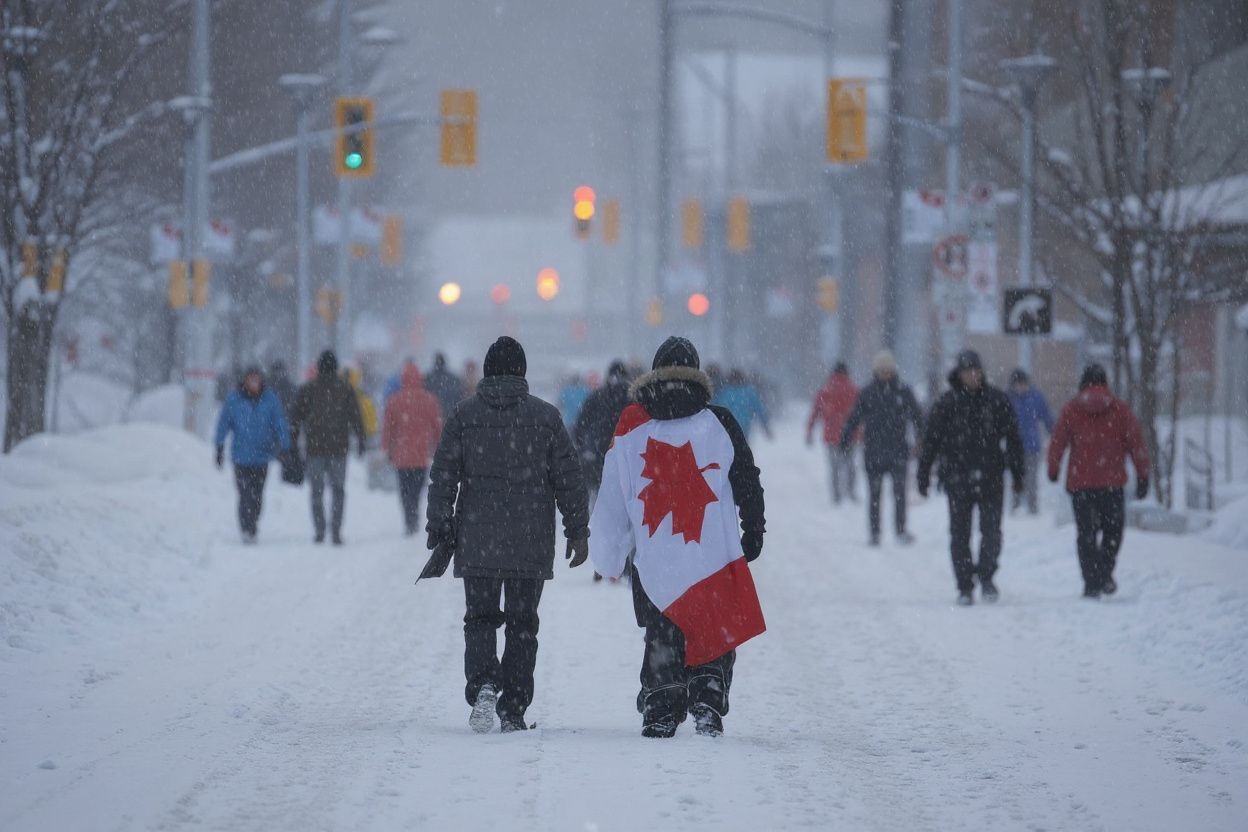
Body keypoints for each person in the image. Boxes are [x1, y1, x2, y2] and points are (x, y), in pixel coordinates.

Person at [590, 337, 766, 739]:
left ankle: (661, 703)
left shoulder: (634, 426)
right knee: (711, 625)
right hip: (710, 551)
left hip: (656, 556)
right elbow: (746, 477)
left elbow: (613, 494)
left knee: (662, 628)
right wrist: (753, 528)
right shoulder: (718, 422)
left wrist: (608, 555)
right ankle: (708, 696)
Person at [425, 336, 589, 734]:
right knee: (523, 624)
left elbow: (443, 474)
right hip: (530, 540)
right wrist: (577, 529)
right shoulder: (546, 418)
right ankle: (513, 708)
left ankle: (484, 683)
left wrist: (439, 521)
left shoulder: (464, 415)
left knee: (480, 618)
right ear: (522, 371)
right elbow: (569, 477)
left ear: (487, 371)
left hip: (477, 537)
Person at [918, 350, 1025, 606]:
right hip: (957, 479)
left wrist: (1018, 473)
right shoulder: (947, 403)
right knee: (960, 534)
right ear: (959, 374)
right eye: (968, 371)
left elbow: (1013, 439)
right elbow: (931, 441)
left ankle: (987, 576)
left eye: (976, 370)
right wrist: (924, 474)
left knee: (991, 532)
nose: (973, 375)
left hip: (991, 477)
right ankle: (965, 585)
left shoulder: (996, 401)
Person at [1047, 364, 1150, 598]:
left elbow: (1058, 440)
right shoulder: (1120, 409)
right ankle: (1104, 571)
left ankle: (1091, 582)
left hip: (1080, 484)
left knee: (1086, 534)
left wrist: (1053, 468)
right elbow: (1136, 442)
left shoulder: (1072, 409)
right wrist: (1143, 474)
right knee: (1113, 532)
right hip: (1112, 483)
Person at [839, 350, 923, 545]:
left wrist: (922, 438)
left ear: (893, 370)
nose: (885, 372)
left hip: (898, 451)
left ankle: (900, 530)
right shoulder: (867, 393)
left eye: (888, 369)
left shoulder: (904, 391)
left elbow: (917, 417)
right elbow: (854, 418)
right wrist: (845, 439)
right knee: (875, 495)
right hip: (873, 452)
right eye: (882, 369)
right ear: (876, 370)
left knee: (900, 494)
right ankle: (875, 533)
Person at [290, 350, 365, 545]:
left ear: (318, 367)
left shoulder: (308, 389)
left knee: (317, 491)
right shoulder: (345, 388)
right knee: (338, 490)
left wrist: (293, 440)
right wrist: (361, 438)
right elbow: (356, 416)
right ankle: (336, 530)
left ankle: (320, 529)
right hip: (339, 448)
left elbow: (296, 417)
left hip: (315, 448)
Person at [214, 366, 291, 544]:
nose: (254, 383)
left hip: (262, 456)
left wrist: (285, 446)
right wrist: (219, 446)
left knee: (257, 495)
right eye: (251, 379)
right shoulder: (234, 400)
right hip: (241, 457)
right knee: (244, 494)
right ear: (245, 380)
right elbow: (223, 423)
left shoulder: (270, 400)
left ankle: (253, 524)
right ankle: (245, 527)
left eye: (257, 379)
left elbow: (279, 423)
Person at [382, 363, 443, 536]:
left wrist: (387, 448)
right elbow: (437, 425)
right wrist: (439, 445)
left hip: (401, 455)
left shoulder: (394, 400)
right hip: (420, 454)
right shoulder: (430, 399)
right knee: (416, 489)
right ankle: (414, 516)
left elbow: (388, 428)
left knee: (404, 489)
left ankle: (409, 518)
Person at [807, 361, 859, 504]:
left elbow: (815, 412)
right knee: (850, 464)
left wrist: (810, 430)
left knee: (834, 466)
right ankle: (851, 492)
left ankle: (836, 495)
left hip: (831, 435)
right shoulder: (853, 389)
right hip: (850, 434)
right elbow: (861, 412)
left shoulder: (826, 390)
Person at [1007, 368, 1054, 514]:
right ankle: (1015, 504)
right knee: (1016, 476)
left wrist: (1053, 431)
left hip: (1032, 446)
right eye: (1017, 384)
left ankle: (1032, 505)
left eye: (1022, 384)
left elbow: (1046, 417)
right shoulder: (1008, 399)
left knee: (1032, 478)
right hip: (1014, 447)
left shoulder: (1036, 398)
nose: (1020, 387)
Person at [713, 368, 772, 441]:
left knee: (728, 446)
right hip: (743, 428)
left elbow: (714, 408)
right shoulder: (749, 392)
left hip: (727, 428)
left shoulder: (724, 392)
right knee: (742, 445)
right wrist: (765, 426)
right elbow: (760, 410)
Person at [426, 352, 466, 419]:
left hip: (433, 414)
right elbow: (459, 397)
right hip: (449, 414)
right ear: (444, 363)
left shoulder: (428, 379)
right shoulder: (454, 379)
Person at [344, 366, 378, 445]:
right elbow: (371, 418)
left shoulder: (338, 394)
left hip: (345, 436)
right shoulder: (364, 397)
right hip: (361, 435)